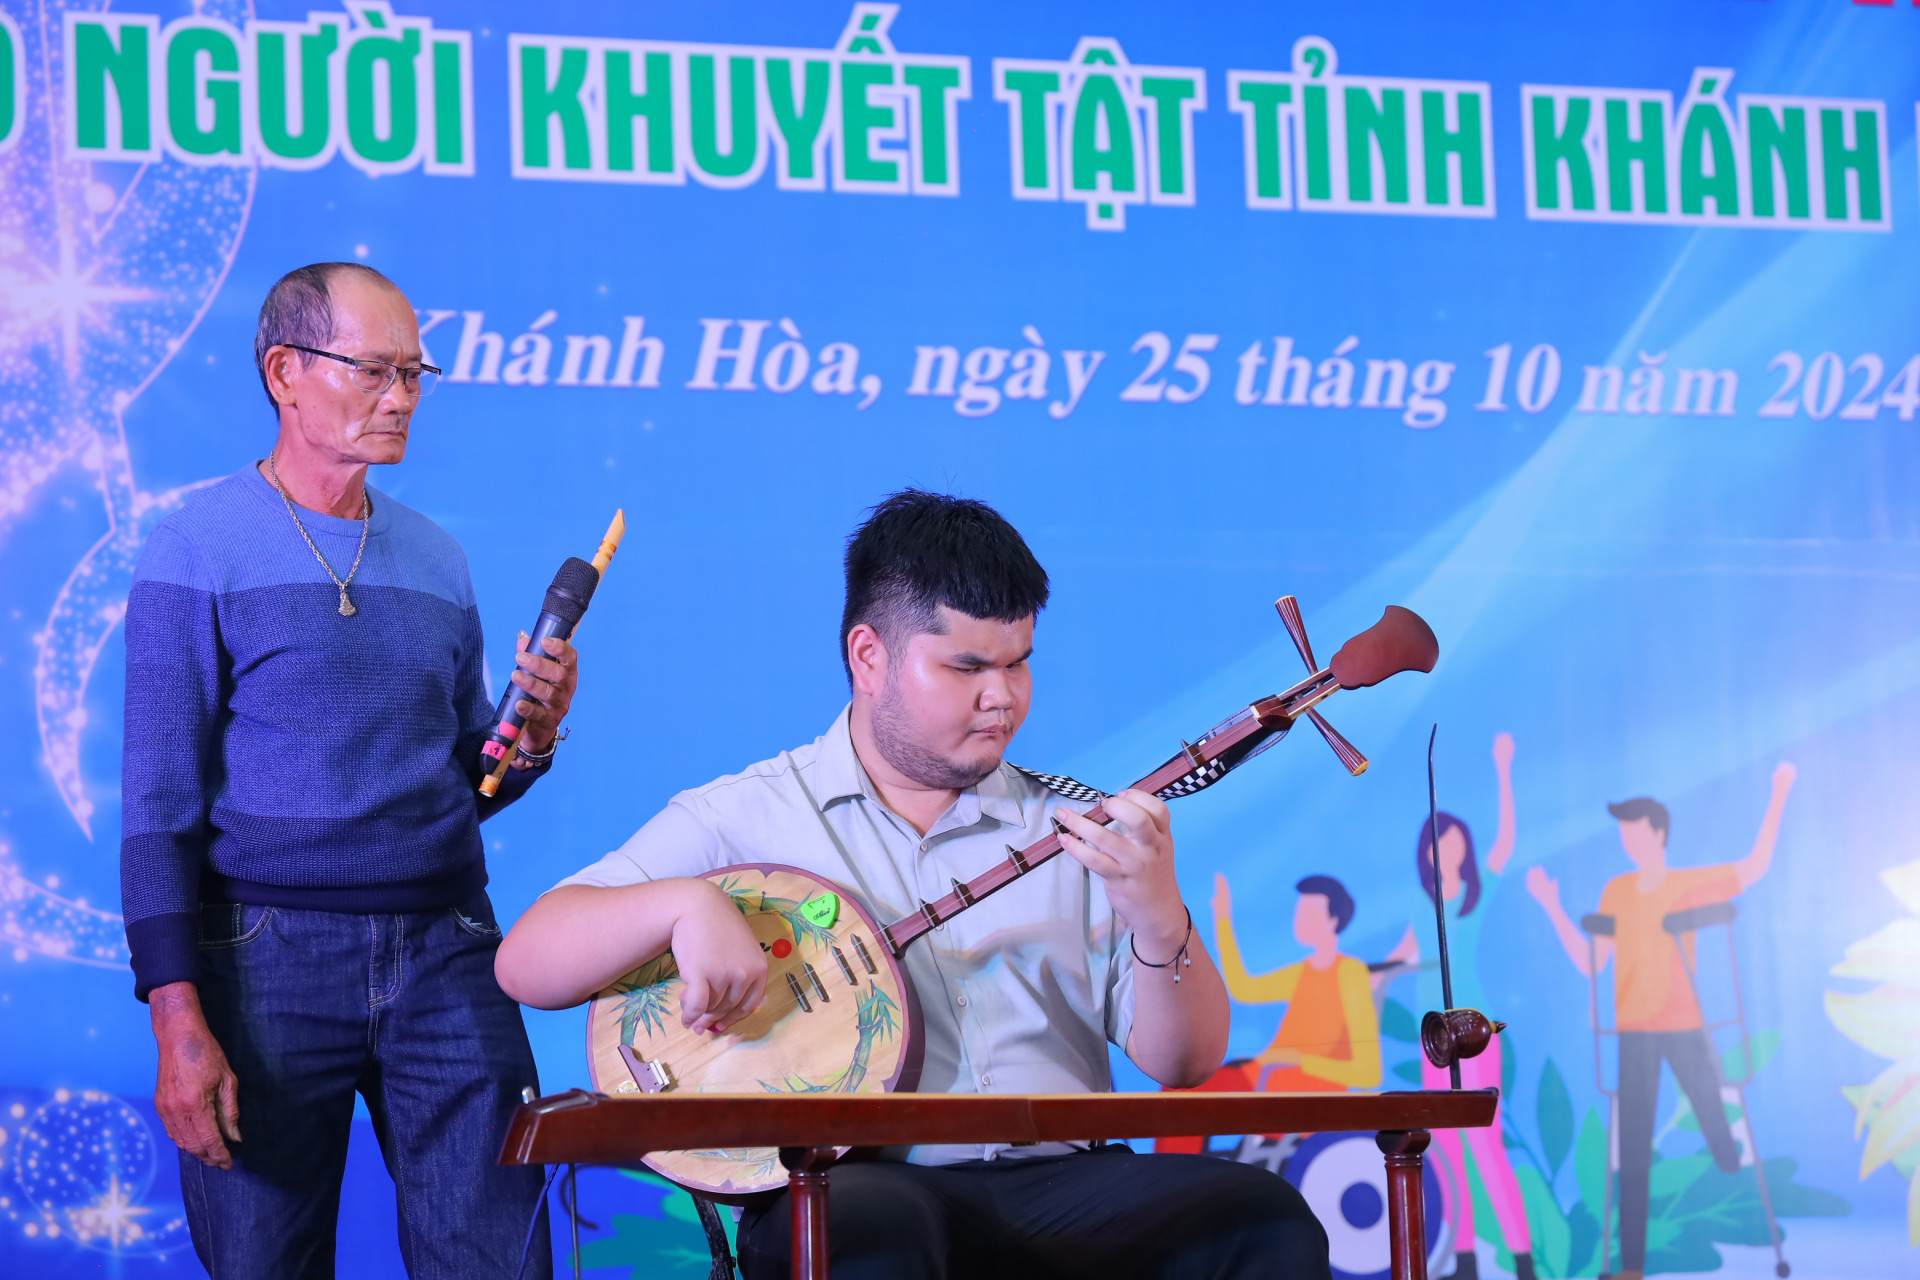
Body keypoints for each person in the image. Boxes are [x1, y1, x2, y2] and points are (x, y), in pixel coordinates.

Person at [496, 490, 1331, 1280]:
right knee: (873, 1224)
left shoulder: (1077, 825)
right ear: (870, 656)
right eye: (967, 667)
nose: (1001, 698)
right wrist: (687, 904)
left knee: (1261, 1216)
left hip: (1062, 1184)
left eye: (1019, 664)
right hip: (853, 1182)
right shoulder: (746, 817)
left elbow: (1185, 1063)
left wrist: (1158, 917)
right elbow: (527, 962)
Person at [120, 262, 577, 1278]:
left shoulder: (437, 556)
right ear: (285, 371)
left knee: (501, 1259)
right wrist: (177, 1015)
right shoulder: (197, 546)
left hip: (448, 947)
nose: (404, 396)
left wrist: (530, 735)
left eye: (416, 372)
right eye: (375, 369)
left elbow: (467, 779)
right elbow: (157, 806)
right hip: (263, 958)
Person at [1526, 763, 1796, 1280]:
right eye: (1623, 831)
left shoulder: (1686, 885)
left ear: (1659, 834)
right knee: (1633, 1147)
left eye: (1635, 829)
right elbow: (1590, 963)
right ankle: (1630, 1266)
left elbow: (1754, 866)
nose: (1628, 839)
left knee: (1716, 1123)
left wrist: (1779, 792)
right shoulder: (1617, 892)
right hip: (1634, 1034)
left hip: (1684, 1026)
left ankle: (1726, 1155)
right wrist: (1552, 905)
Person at [1392, 732, 1534, 1280]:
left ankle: (1522, 1263)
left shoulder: (1474, 898)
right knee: (1449, 1160)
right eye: (1433, 842)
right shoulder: (1423, 909)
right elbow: (1399, 959)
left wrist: (1502, 768)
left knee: (1487, 1150)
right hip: (1435, 1043)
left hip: (1472, 1035)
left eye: (1449, 841)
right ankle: (1468, 1262)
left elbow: (1506, 842)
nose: (1440, 849)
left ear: (1461, 849)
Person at [1211, 873, 1381, 1093]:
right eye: (1299, 912)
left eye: (1309, 914)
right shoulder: (1302, 972)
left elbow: (1369, 1073)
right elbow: (1243, 989)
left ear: (1334, 920)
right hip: (1262, 1077)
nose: (1299, 920)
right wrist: (1222, 920)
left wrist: (1299, 1060)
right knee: (1179, 1091)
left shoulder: (1350, 973)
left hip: (1298, 1090)